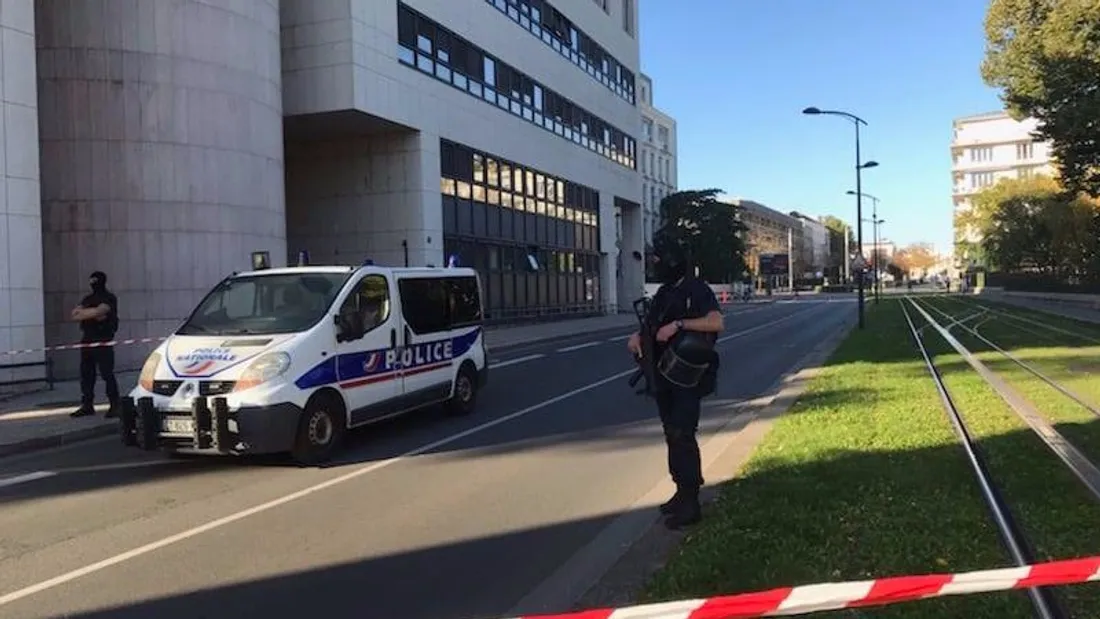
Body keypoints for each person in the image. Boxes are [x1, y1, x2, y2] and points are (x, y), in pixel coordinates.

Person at [628, 233, 724, 529]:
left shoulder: (696, 289)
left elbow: (717, 322)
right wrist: (637, 337)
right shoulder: (665, 292)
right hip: (663, 375)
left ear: (672, 260)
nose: (655, 263)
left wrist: (679, 325)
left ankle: (691, 501)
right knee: (672, 434)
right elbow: (652, 325)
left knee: (683, 435)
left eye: (658, 258)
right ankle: (681, 492)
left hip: (686, 377)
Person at [70, 271, 120, 418]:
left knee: (107, 374)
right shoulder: (88, 298)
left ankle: (115, 404)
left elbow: (102, 311)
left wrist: (87, 312)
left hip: (103, 340)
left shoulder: (109, 297)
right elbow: (75, 314)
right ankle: (87, 405)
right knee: (86, 374)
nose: (93, 283)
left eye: (95, 280)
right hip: (87, 340)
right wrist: (94, 313)